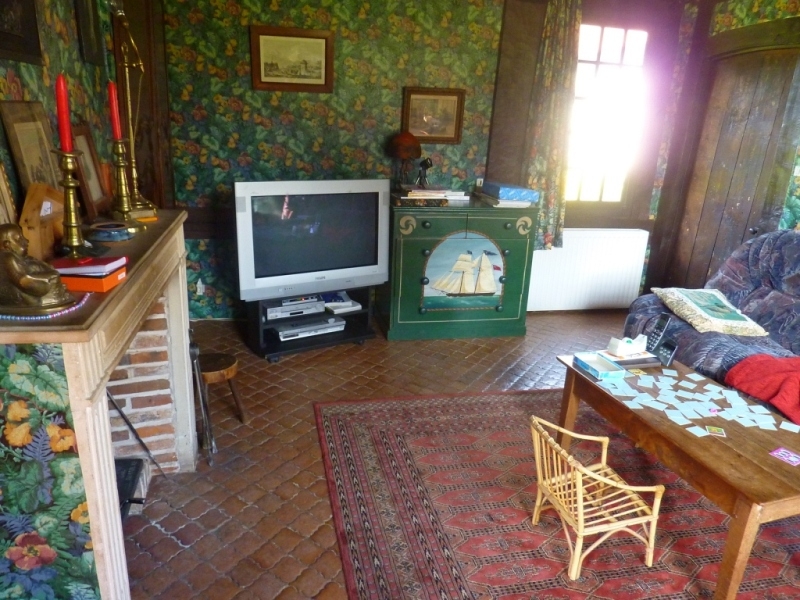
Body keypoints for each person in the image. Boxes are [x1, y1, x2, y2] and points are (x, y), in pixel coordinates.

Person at [0, 223, 73, 309]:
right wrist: (47, 282)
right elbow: (23, 281)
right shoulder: (7, 258)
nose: (26, 241)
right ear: (7, 245)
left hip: (38, 291)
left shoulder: (24, 258)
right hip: (26, 297)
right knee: (53, 276)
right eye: (19, 239)